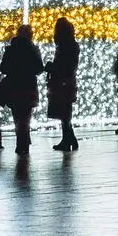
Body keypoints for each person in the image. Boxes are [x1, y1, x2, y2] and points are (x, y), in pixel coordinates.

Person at [0, 24, 45, 155]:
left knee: (17, 117)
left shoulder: (11, 49)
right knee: (26, 117)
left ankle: (20, 142)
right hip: (28, 86)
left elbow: (3, 69)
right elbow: (39, 69)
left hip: (14, 87)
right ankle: (24, 142)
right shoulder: (33, 49)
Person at [47, 17, 81, 151]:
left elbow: (63, 66)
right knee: (65, 112)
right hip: (68, 81)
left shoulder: (63, 46)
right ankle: (69, 138)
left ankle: (68, 140)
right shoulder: (72, 45)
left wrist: (51, 67)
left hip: (62, 82)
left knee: (64, 112)